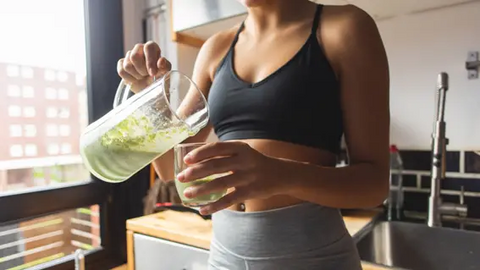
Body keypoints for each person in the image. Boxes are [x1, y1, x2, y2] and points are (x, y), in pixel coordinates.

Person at [118, 0, 389, 269]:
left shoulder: (345, 28)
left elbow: (374, 186)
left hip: (312, 259)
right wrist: (147, 96)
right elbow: (169, 169)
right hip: (224, 259)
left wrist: (281, 175)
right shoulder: (215, 49)